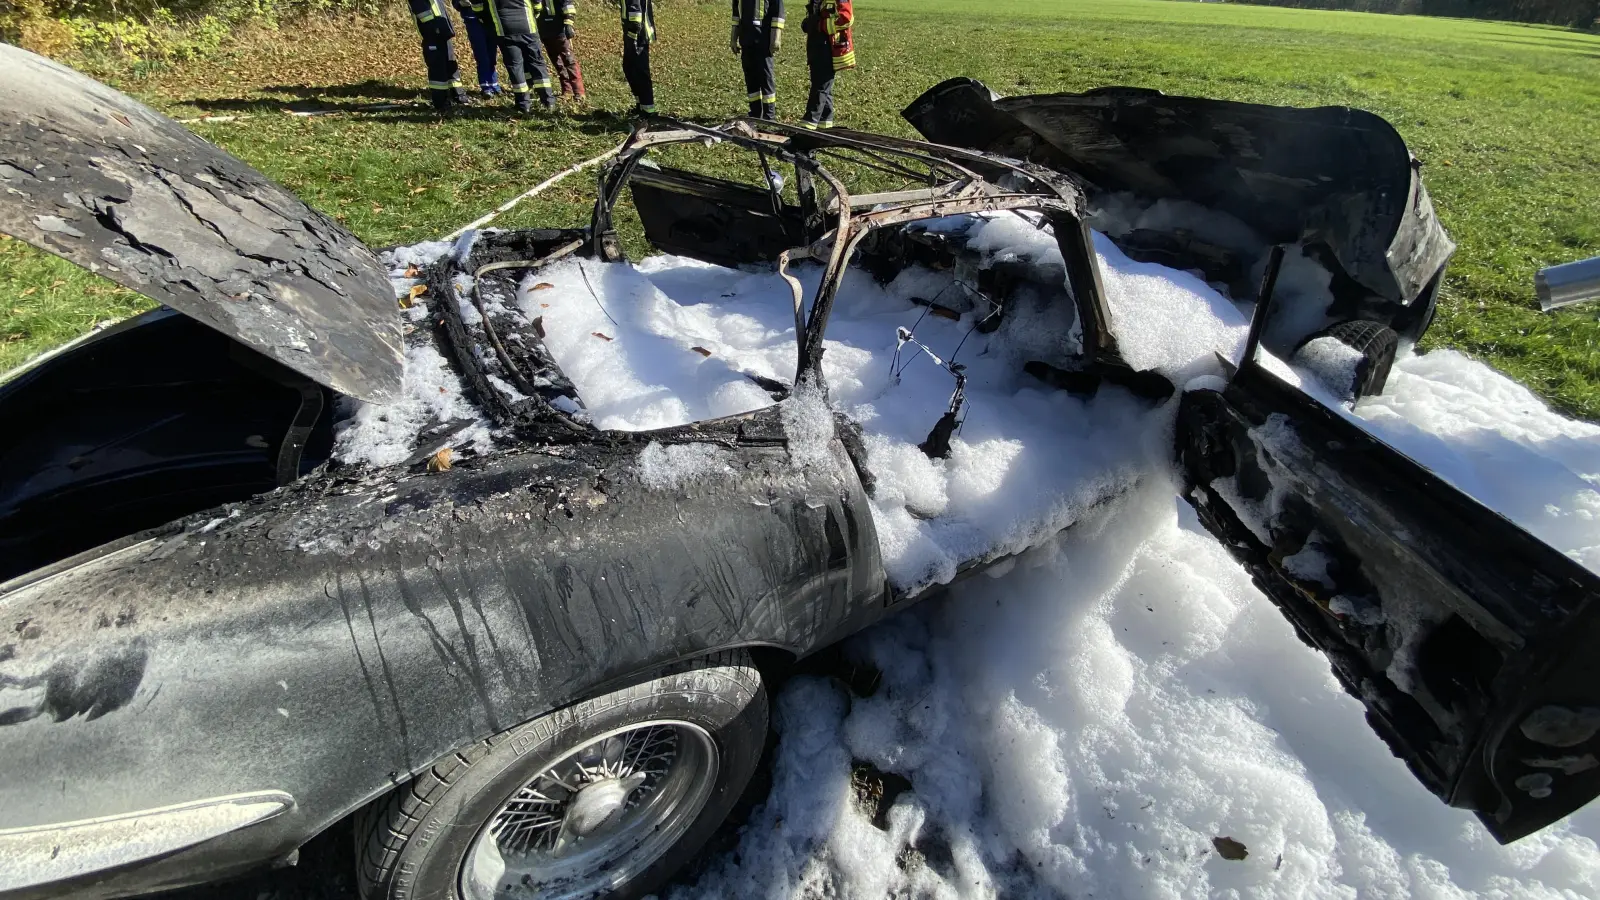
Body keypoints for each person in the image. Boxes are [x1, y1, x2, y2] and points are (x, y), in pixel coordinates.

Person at [488, 0, 558, 112]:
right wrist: (536, 11)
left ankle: (523, 104)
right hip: (528, 27)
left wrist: (485, 20)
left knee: (515, 67)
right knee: (537, 63)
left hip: (505, 29)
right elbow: (537, 4)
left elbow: (479, 7)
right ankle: (548, 102)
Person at [409, 0, 471, 112]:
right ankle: (440, 102)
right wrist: (435, 28)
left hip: (443, 32)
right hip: (432, 33)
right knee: (438, 68)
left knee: (450, 63)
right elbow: (423, 13)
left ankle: (459, 95)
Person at [800, 0, 853, 129]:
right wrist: (809, 22)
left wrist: (820, 25)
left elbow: (846, 19)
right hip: (815, 44)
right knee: (822, 85)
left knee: (821, 85)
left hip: (828, 46)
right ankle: (825, 123)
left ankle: (809, 124)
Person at [731, 0, 784, 120]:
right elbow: (736, 16)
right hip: (746, 40)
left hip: (763, 41)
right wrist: (733, 39)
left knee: (766, 78)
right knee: (751, 78)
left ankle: (769, 115)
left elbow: (778, 14)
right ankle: (755, 112)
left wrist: (776, 38)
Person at [536, 0, 586, 104]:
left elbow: (568, 4)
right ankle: (567, 90)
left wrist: (569, 23)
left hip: (560, 30)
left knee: (569, 61)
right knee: (557, 63)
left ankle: (579, 93)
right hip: (544, 31)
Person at [453, 0, 504, 98]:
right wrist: (460, 3)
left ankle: (494, 85)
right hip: (473, 21)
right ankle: (486, 87)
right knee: (481, 54)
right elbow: (456, 3)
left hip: (490, 19)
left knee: (491, 54)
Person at [621, 0, 657, 115]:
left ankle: (648, 110)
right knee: (629, 68)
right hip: (631, 30)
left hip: (638, 32)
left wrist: (633, 30)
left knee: (639, 71)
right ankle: (640, 104)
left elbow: (635, 8)